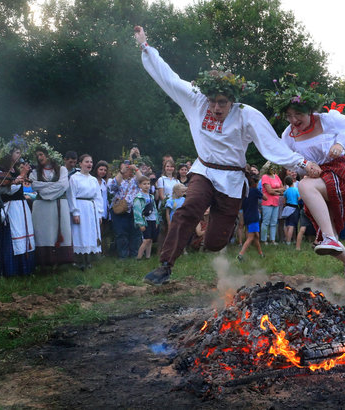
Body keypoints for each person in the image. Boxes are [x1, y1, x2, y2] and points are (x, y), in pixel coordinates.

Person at [134, 26, 319, 285]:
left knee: (214, 242)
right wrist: (146, 47)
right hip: (204, 171)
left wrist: (302, 163)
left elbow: (272, 145)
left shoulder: (247, 115)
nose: (216, 106)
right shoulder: (196, 101)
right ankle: (165, 265)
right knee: (188, 210)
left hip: (232, 181)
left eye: (222, 102)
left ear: (232, 99)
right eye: (213, 101)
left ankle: (222, 227)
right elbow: (170, 79)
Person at [265, 78, 345, 283]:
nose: (293, 120)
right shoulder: (288, 135)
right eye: (289, 116)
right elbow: (285, 159)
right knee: (326, 242)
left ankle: (330, 238)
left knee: (304, 185)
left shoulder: (326, 120)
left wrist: (339, 143)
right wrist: (304, 165)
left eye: (298, 114)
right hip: (316, 181)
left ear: (309, 111)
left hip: (340, 173)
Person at [30, 146, 74, 269]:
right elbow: (34, 186)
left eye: (41, 154)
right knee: (43, 232)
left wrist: (44, 190)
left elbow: (63, 185)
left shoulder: (62, 170)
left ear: (48, 155)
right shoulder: (34, 172)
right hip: (41, 207)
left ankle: (61, 262)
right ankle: (44, 262)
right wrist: (53, 187)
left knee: (59, 231)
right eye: (37, 156)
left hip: (59, 205)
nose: (39, 158)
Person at [0, 160, 36, 277]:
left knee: (24, 234)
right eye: (16, 153)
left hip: (21, 207)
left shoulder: (15, 170)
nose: (18, 157)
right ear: (9, 154)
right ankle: (11, 270)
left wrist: (22, 176)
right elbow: (6, 191)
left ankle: (25, 269)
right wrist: (21, 175)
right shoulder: (0, 171)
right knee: (13, 235)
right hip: (10, 208)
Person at [69, 154, 103, 270]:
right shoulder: (74, 178)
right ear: (80, 164)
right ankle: (79, 261)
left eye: (91, 162)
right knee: (80, 233)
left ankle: (89, 260)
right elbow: (71, 196)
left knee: (90, 233)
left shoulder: (93, 180)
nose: (89, 164)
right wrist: (75, 212)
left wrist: (99, 213)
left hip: (91, 209)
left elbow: (98, 197)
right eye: (87, 162)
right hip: (80, 207)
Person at [108, 155, 143, 259]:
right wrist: (122, 172)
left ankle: (134, 256)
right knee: (121, 234)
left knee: (135, 234)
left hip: (133, 210)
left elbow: (142, 180)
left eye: (128, 168)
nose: (128, 170)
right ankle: (123, 256)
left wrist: (135, 168)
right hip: (119, 211)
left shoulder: (135, 180)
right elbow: (114, 186)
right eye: (125, 168)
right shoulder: (117, 179)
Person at [238, 174, 265, 260]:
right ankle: (240, 255)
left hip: (247, 216)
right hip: (254, 217)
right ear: (254, 183)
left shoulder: (244, 192)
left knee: (256, 236)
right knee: (251, 238)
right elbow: (265, 198)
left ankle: (261, 254)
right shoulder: (255, 190)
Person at [134, 176, 159, 260]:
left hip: (152, 220)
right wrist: (141, 224)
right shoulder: (139, 197)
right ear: (140, 185)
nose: (146, 186)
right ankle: (139, 257)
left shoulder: (151, 197)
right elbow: (137, 212)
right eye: (144, 184)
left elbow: (155, 209)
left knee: (151, 239)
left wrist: (157, 221)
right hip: (145, 221)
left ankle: (148, 256)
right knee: (146, 239)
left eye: (148, 184)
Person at [261, 164, 284, 245]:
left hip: (276, 202)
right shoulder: (265, 177)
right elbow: (269, 191)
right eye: (272, 168)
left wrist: (274, 190)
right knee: (266, 222)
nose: (274, 169)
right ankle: (264, 240)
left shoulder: (276, 176)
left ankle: (272, 240)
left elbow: (283, 189)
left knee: (274, 222)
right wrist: (278, 191)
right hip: (267, 202)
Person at [282, 175, 300, 244]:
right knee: (292, 225)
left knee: (286, 224)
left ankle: (286, 239)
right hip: (294, 208)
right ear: (292, 181)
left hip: (287, 208)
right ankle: (289, 241)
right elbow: (298, 198)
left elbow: (284, 201)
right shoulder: (296, 189)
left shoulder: (286, 191)